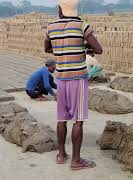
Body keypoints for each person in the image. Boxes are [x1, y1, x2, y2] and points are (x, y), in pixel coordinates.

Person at [44, 0, 103, 171]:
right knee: (78, 120)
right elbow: (98, 49)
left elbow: (47, 48)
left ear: (60, 9)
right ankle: (76, 161)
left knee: (61, 119)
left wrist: (61, 46)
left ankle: (61, 155)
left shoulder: (51, 27)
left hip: (61, 80)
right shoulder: (81, 25)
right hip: (78, 79)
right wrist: (82, 46)